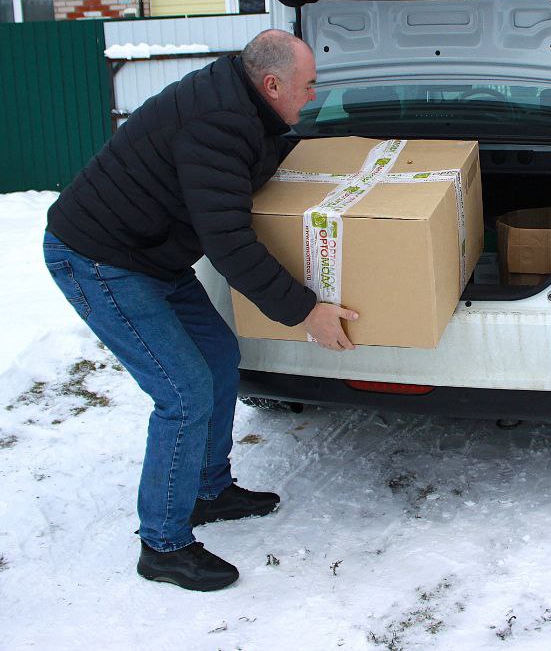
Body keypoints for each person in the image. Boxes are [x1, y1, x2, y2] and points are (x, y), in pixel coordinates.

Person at [42, 29, 358, 590]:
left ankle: (209, 488)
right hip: (100, 259)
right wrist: (307, 310)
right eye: (308, 87)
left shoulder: (242, 105)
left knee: (216, 356)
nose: (313, 96)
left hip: (151, 253)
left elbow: (262, 163)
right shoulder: (218, 123)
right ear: (271, 83)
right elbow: (230, 243)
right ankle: (163, 544)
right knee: (182, 392)